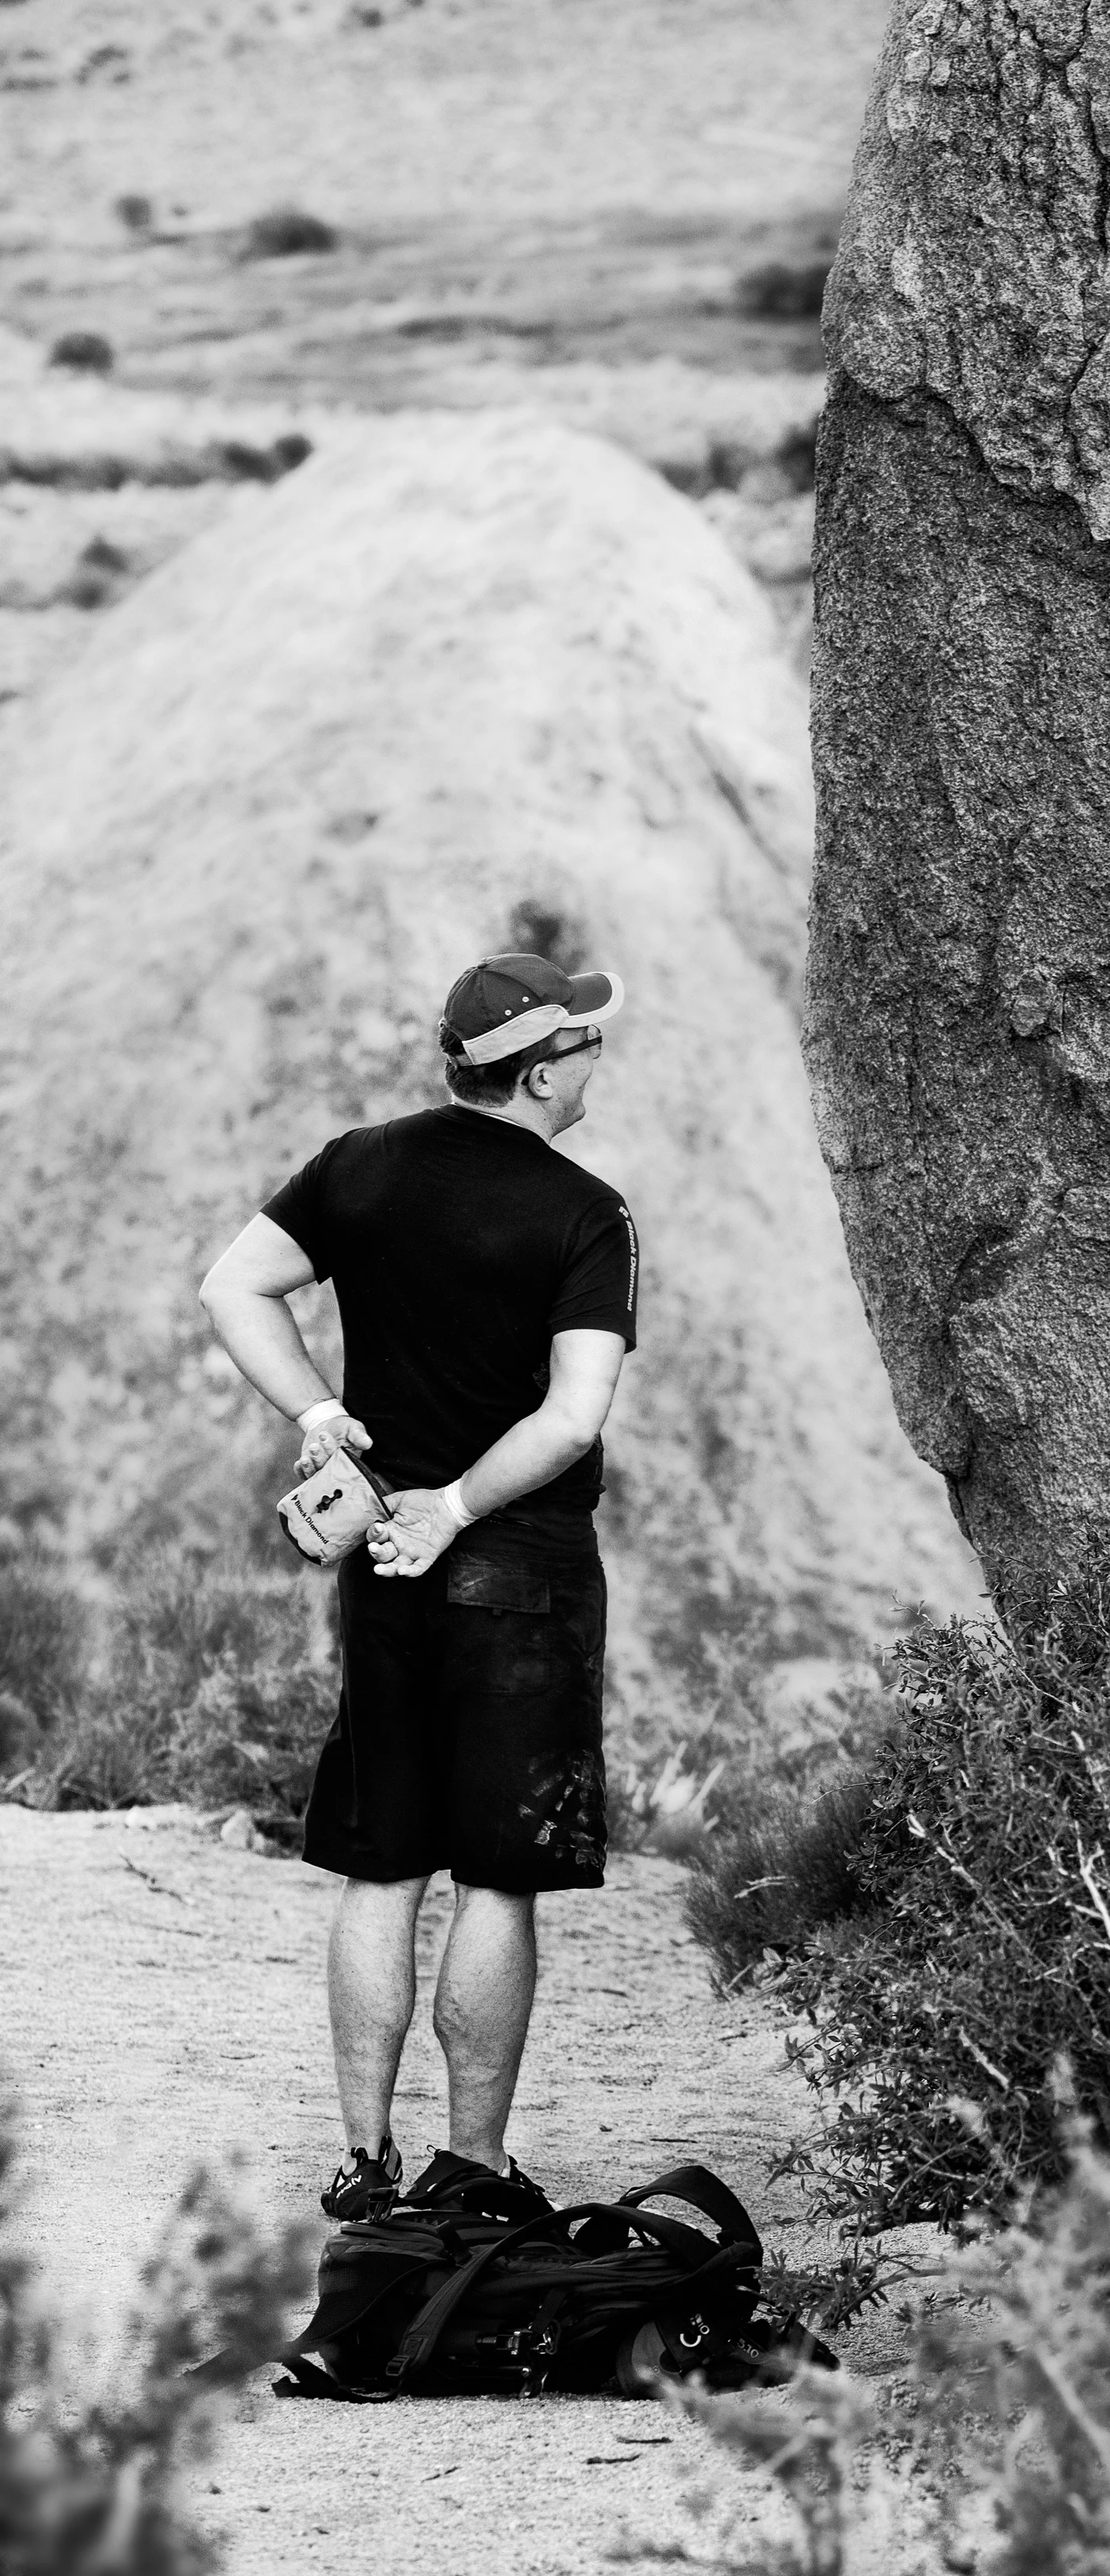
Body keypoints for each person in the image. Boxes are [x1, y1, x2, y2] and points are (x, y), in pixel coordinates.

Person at [198, 951, 640, 2221]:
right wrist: (458, 1509)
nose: (598, 1060)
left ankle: (363, 2161)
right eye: (589, 1044)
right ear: (543, 1065)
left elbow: (235, 1287)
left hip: (380, 1549)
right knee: (496, 1878)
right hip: (519, 1566)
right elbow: (571, 1416)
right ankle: (473, 2170)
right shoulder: (586, 1214)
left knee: (382, 1866)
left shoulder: (358, 1167)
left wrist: (321, 1413)